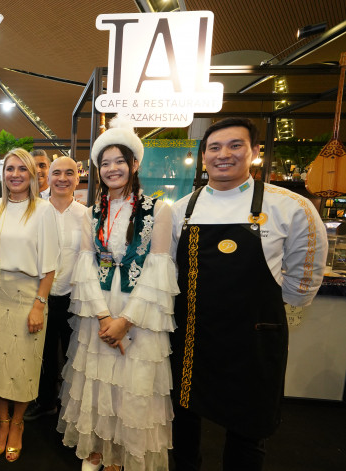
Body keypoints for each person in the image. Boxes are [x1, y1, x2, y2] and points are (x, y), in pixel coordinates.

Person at [170, 117, 328, 471]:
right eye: (214, 147)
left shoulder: (290, 207)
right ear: (203, 156)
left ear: (255, 152)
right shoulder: (183, 209)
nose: (223, 154)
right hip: (193, 336)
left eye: (235, 145)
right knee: (183, 418)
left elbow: (303, 278)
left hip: (255, 337)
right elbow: (168, 272)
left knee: (248, 429)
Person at [57, 117, 178, 471]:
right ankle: (98, 449)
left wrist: (125, 321)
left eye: (119, 161)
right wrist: (103, 317)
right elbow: (85, 265)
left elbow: (158, 271)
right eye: (105, 163)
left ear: (134, 164)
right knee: (96, 378)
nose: (112, 169)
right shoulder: (92, 213)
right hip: (99, 310)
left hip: (139, 311)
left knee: (132, 383)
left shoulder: (158, 210)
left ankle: (122, 454)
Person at [0, 148, 60, 462]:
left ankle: (17, 424)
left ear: (32, 174)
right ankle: (2, 422)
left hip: (28, 296)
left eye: (22, 169)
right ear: (3, 174)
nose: (15, 174)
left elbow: (50, 266)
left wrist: (39, 304)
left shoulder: (44, 210)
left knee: (24, 365)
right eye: (10, 169)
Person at [24, 157, 86, 421]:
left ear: (78, 178)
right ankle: (45, 401)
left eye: (69, 173)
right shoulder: (35, 210)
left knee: (75, 355)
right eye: (56, 173)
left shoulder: (87, 215)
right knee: (43, 354)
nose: (62, 178)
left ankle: (70, 408)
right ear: (47, 177)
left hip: (75, 297)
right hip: (40, 296)